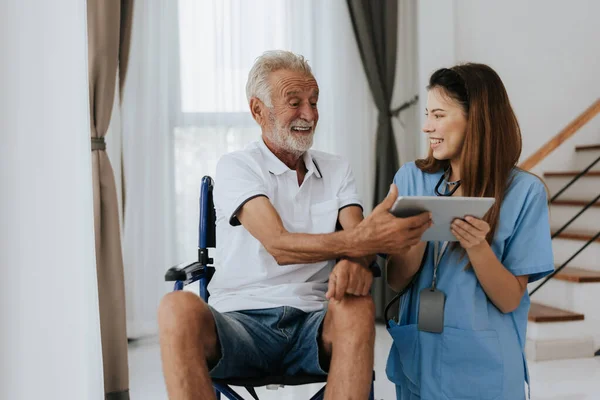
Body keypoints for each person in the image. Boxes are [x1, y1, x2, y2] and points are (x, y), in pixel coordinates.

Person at [158, 50, 432, 400]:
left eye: (314, 101)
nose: (309, 114)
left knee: (358, 306)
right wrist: (361, 242)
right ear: (258, 110)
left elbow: (358, 239)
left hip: (313, 325)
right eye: (295, 102)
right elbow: (280, 245)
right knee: (175, 307)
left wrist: (354, 260)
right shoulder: (237, 166)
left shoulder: (336, 169)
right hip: (240, 325)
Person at [385, 63, 554, 400]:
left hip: (485, 366)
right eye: (427, 115)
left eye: (438, 115)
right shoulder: (411, 179)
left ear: (475, 119)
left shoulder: (524, 193)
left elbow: (509, 300)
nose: (426, 126)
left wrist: (478, 247)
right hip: (419, 355)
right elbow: (395, 279)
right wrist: (416, 236)